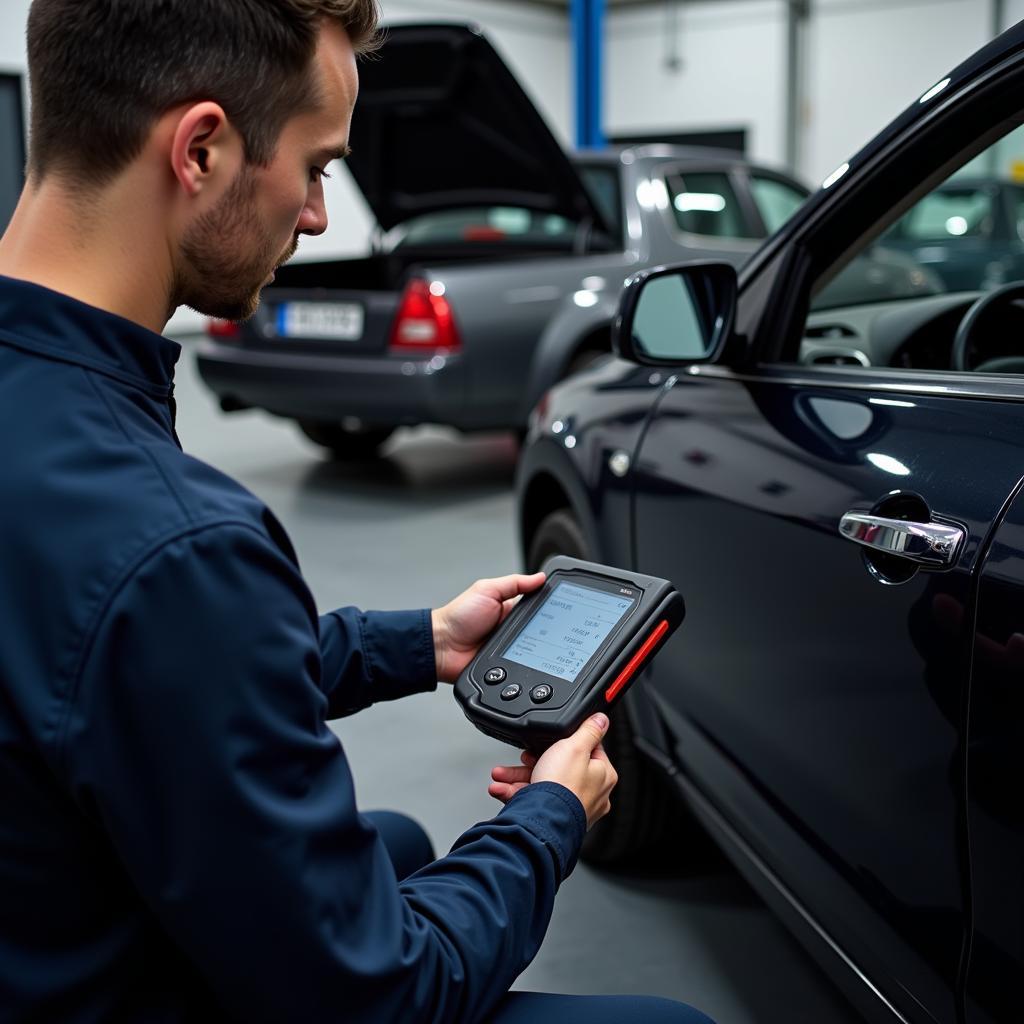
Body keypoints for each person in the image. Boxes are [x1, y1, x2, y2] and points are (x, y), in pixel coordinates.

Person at [0, 2, 713, 1022]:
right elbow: (382, 995)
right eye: (318, 165)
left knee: (397, 843)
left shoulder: (95, 489)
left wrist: (415, 643)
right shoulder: (177, 544)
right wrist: (553, 815)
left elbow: (111, 672)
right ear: (200, 148)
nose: (320, 216)